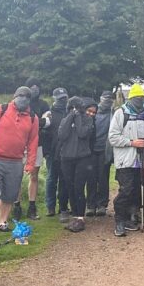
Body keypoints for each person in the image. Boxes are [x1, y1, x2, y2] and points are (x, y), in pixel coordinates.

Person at [0, 87, 39, 236]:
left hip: (16, 162)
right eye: (20, 95)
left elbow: (33, 141)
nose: (23, 99)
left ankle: (3, 222)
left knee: (9, 194)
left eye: (27, 97)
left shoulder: (33, 117)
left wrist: (30, 163)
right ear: (14, 96)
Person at [108, 86, 144, 236]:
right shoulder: (121, 114)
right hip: (124, 161)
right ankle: (119, 221)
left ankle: (129, 218)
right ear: (131, 99)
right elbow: (113, 137)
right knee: (126, 190)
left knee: (135, 191)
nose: (140, 101)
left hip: (140, 161)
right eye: (137, 98)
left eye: (142, 98)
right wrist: (131, 142)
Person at [58, 96, 98, 233]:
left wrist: (78, 117)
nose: (75, 110)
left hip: (82, 157)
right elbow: (62, 135)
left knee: (79, 187)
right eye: (72, 108)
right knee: (70, 186)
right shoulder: (66, 119)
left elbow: (82, 133)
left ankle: (80, 217)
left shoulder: (88, 120)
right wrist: (71, 116)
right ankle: (74, 215)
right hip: (66, 158)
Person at [13, 79, 48, 220]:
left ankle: (32, 206)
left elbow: (47, 121)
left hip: (36, 144)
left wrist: (40, 123)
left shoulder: (43, 104)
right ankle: (16, 206)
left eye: (37, 86)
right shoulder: (17, 105)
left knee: (34, 176)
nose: (35, 89)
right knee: (17, 177)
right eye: (31, 86)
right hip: (19, 145)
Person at [41, 87, 69, 217]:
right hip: (52, 152)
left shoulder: (70, 112)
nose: (63, 100)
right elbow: (44, 134)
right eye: (60, 99)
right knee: (52, 179)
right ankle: (50, 207)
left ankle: (63, 207)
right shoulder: (49, 114)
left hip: (67, 152)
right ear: (55, 99)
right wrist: (46, 152)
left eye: (64, 98)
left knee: (64, 180)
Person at [90, 91, 116, 216]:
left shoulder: (114, 114)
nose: (107, 102)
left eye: (110, 100)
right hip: (91, 150)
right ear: (100, 99)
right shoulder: (92, 112)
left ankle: (102, 204)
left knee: (103, 178)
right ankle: (90, 204)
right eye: (106, 99)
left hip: (105, 150)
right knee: (91, 178)